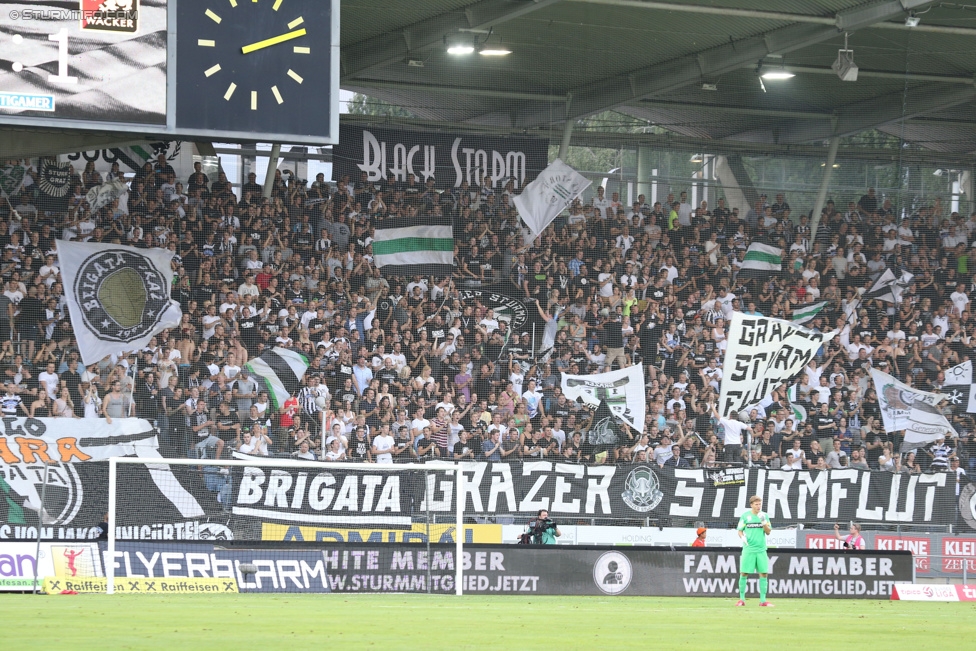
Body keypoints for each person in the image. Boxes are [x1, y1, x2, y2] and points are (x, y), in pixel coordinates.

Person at [735, 495, 773, 607]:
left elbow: (768, 532)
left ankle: (763, 601)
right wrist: (742, 538)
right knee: (744, 573)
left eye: (760, 504)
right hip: (749, 549)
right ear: (751, 505)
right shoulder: (745, 516)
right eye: (756, 504)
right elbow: (740, 530)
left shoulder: (764, 515)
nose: (758, 506)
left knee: (764, 573)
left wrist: (764, 522)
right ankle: (741, 599)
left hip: (761, 549)